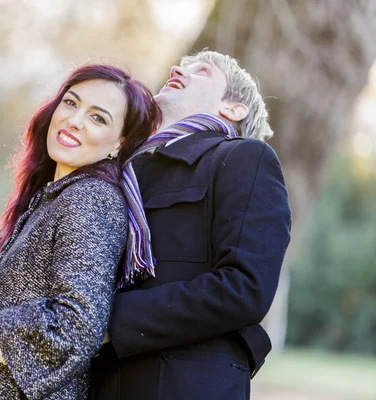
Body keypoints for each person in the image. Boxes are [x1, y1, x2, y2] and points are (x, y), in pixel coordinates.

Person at [0, 64, 161, 399]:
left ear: (119, 144)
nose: (75, 120)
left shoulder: (90, 198)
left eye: (98, 118)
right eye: (71, 103)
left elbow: (76, 326)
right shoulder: (49, 198)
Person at [89, 50, 292, 400]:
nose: (176, 69)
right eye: (182, 66)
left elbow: (244, 288)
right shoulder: (119, 172)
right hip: (101, 382)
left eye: (202, 71)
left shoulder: (242, 157)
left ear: (232, 109)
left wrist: (106, 321)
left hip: (187, 384)